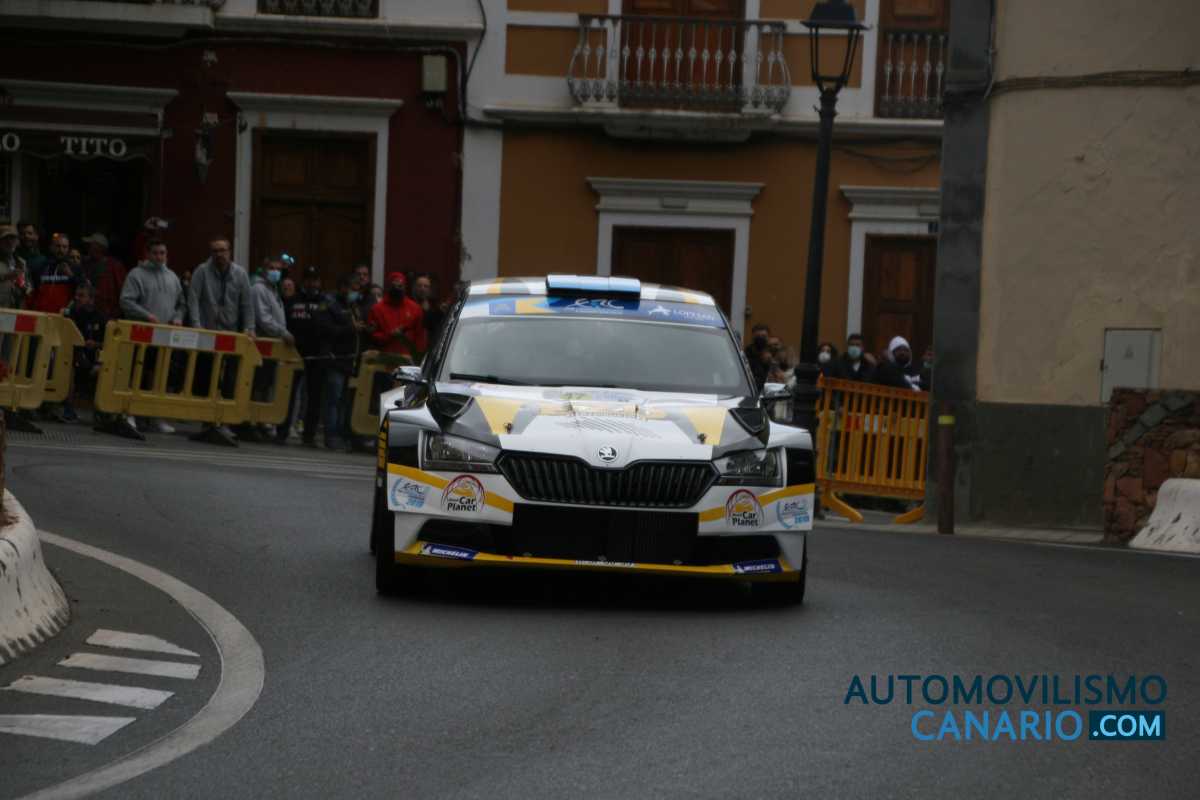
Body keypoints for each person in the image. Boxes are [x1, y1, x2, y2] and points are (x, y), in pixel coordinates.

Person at [189, 236, 255, 440]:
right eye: (215, 251)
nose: (219, 254)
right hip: (208, 331)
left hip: (231, 333)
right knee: (207, 377)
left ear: (229, 252)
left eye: (223, 250)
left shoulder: (240, 274)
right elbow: (194, 299)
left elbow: (247, 304)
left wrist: (249, 328)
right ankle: (207, 421)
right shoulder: (202, 271)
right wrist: (197, 326)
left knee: (230, 379)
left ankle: (224, 421)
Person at [120, 239, 186, 434]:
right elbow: (126, 301)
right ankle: (130, 413)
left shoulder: (173, 277)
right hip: (140, 335)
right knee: (136, 376)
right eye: (155, 253)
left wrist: (178, 318)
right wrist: (147, 316)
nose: (159, 257)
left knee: (160, 378)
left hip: (164, 338)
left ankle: (156, 416)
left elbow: (182, 304)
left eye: (162, 253)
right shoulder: (136, 274)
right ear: (148, 254)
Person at [279, 266, 326, 446]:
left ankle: (309, 436)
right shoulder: (293, 300)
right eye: (309, 279)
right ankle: (282, 431)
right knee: (288, 394)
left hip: (317, 354)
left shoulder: (325, 302)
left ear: (319, 282)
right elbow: (285, 323)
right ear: (304, 281)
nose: (312, 283)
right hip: (294, 353)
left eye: (315, 280)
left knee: (314, 397)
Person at [315, 274, 360, 450]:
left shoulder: (352, 306)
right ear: (343, 287)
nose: (355, 293)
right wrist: (350, 328)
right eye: (353, 289)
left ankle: (340, 434)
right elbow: (325, 328)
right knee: (333, 399)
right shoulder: (329, 304)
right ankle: (331, 436)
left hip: (349, 360)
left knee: (343, 401)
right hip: (334, 358)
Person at [63, 284, 108, 423]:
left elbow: (109, 343)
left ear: (91, 299)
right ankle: (67, 411)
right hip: (75, 356)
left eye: (81, 296)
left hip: (96, 359)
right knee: (68, 368)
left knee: (105, 371)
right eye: (76, 295)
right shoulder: (71, 315)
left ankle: (102, 414)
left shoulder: (102, 318)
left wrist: (96, 344)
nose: (77, 298)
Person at [368, 272, 425, 359]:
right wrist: (389, 335)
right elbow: (372, 335)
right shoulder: (377, 309)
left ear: (404, 287)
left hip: (408, 359)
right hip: (384, 358)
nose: (397, 289)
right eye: (394, 286)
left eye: (400, 286)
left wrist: (419, 357)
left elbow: (420, 336)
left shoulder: (415, 308)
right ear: (388, 287)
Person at [80, 232, 128, 320]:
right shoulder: (86, 264)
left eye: (90, 245)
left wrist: (116, 313)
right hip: (87, 313)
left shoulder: (115, 266)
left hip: (108, 315)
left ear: (98, 247)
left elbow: (123, 291)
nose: (87, 247)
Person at [25, 234, 77, 314]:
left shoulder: (75, 268)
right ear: (51, 247)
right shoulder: (42, 266)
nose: (61, 250)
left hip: (61, 316)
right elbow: (34, 291)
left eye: (64, 247)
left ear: (68, 249)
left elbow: (80, 291)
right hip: (41, 314)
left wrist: (70, 275)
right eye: (58, 246)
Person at [0, 225, 27, 309]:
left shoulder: (21, 262)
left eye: (12, 238)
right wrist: (6, 276)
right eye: (5, 239)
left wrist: (24, 286)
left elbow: (28, 287)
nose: (9, 242)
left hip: (16, 310)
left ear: (17, 241)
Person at [743, 322, 772, 390]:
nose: (760, 338)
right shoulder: (745, 355)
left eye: (763, 336)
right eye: (758, 336)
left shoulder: (773, 353)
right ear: (752, 337)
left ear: (768, 337)